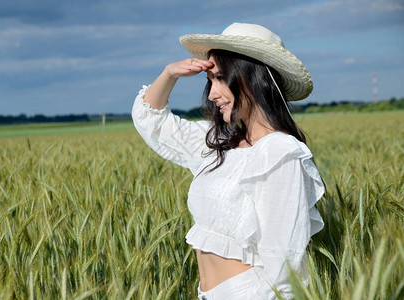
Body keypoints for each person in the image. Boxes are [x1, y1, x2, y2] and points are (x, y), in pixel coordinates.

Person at [131, 22, 324, 299]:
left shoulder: (280, 154)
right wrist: (169, 74)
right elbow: (153, 123)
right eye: (210, 81)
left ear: (252, 77)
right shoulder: (219, 144)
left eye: (221, 78)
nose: (211, 94)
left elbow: (283, 261)